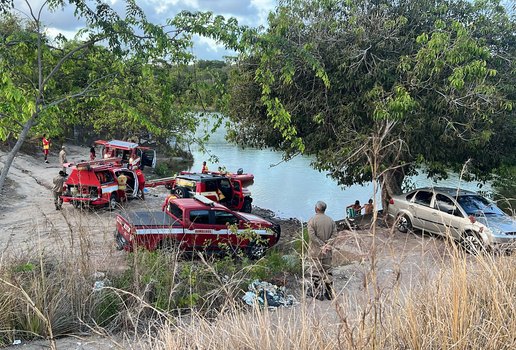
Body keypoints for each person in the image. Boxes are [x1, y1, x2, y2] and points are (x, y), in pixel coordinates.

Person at [306, 200, 338, 300]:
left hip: (316, 251)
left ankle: (318, 293)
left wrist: (321, 245)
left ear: (316, 209)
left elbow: (312, 236)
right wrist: (327, 245)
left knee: (316, 272)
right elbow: (334, 235)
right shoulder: (331, 221)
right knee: (328, 271)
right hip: (327, 252)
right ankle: (329, 294)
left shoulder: (312, 220)